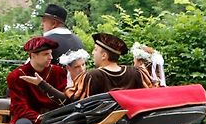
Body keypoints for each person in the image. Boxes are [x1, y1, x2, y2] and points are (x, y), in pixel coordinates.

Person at [20, 32, 156, 104]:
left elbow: (67, 101)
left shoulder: (91, 76)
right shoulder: (137, 73)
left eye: (95, 50)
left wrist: (41, 84)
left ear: (104, 55)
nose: (92, 53)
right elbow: (151, 95)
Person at [6, 37, 67, 124]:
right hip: (31, 118)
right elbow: (20, 108)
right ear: (33, 55)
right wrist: (40, 119)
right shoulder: (16, 76)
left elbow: (63, 98)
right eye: (46, 54)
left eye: (51, 53)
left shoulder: (58, 72)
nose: (51, 57)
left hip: (55, 116)